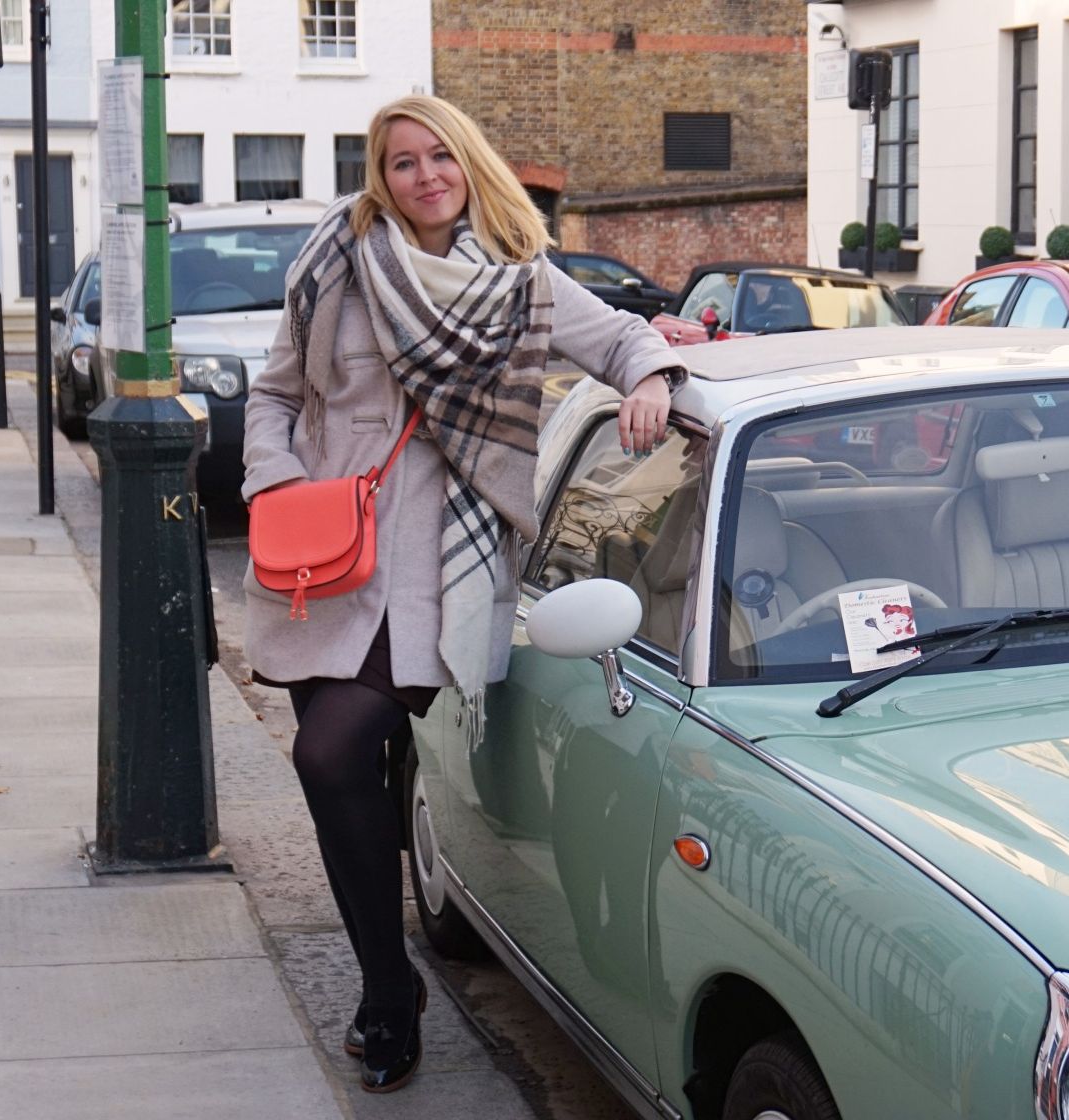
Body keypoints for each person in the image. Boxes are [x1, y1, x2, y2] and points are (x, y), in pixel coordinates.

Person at [238, 95, 683, 1094]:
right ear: (381, 177)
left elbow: (620, 340)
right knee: (340, 784)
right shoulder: (338, 261)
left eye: (440, 156)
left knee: (327, 751)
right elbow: (276, 393)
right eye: (403, 162)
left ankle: (388, 990)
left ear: (469, 162)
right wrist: (274, 481)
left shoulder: (519, 281)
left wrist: (655, 376)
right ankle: (387, 986)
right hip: (325, 556)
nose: (425, 176)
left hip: (436, 568)